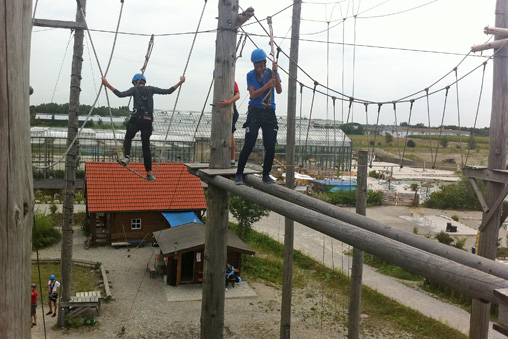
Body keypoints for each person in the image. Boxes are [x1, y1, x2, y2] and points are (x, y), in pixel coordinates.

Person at [102, 74, 186, 182]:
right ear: (144, 82)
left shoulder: (134, 89)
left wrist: (107, 84)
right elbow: (169, 91)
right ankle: (149, 173)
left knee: (128, 137)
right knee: (146, 147)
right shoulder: (151, 89)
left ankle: (127, 157)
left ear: (135, 82)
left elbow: (120, 94)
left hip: (136, 119)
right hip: (147, 121)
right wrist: (180, 82)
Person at [235, 48, 282, 185]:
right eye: (257, 66)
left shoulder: (272, 73)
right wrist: (267, 85)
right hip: (255, 111)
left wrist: (275, 73)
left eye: (261, 66)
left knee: (270, 145)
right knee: (249, 142)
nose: (259, 68)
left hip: (269, 112)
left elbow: (278, 90)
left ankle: (266, 173)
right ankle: (239, 173)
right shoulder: (250, 75)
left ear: (265, 63)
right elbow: (253, 95)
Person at [217, 81, 240, 167]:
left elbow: (238, 95)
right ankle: (228, 158)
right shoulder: (218, 84)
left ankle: (232, 158)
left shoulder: (232, 82)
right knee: (226, 133)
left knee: (230, 133)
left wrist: (228, 102)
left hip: (231, 111)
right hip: (223, 111)